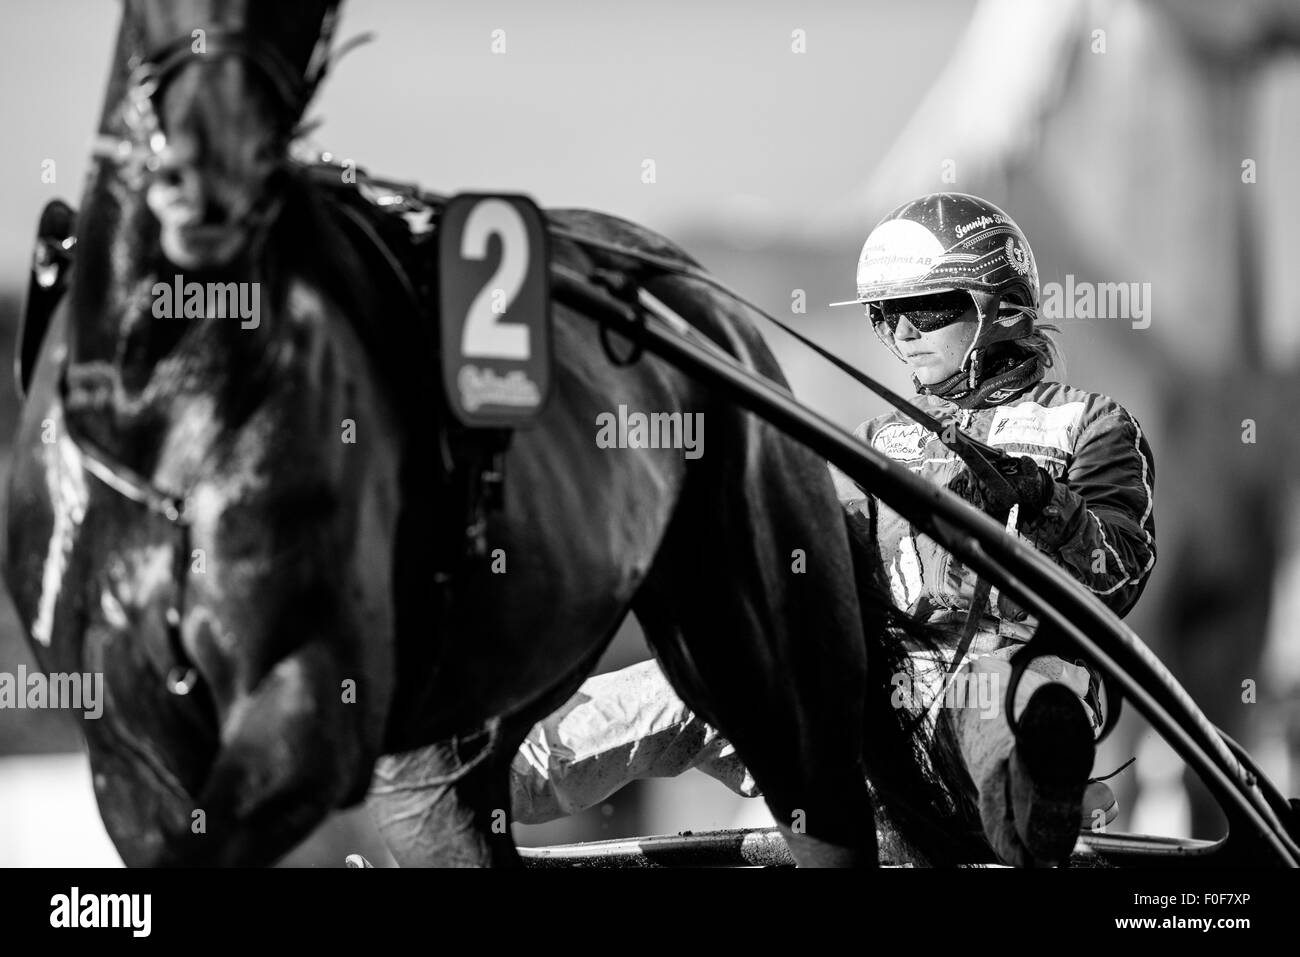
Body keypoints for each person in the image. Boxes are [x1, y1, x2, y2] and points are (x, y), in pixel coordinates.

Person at [508, 193, 1156, 867]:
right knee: (705, 671)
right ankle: (474, 778)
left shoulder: (1091, 424)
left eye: (925, 308)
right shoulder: (878, 442)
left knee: (1017, 684)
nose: (903, 332)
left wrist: (1040, 499)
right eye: (885, 314)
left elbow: (1120, 580)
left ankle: (1032, 801)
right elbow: (816, 569)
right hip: (864, 717)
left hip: (1002, 688)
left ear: (999, 303)